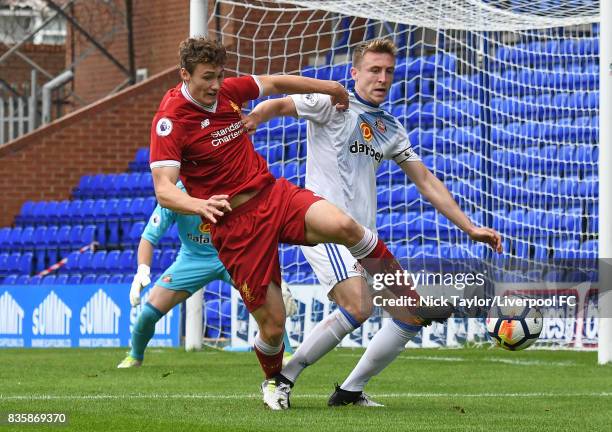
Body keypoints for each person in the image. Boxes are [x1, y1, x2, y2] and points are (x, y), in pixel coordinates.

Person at [149, 37, 435, 410]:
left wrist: (330, 86)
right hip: (235, 227)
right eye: (207, 78)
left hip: (273, 196)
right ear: (185, 74)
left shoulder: (229, 92)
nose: (216, 85)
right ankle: (274, 381)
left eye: (220, 76)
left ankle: (400, 292)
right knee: (273, 325)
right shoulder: (170, 121)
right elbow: (164, 190)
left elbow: (278, 84)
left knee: (345, 226)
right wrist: (199, 203)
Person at [244, 38, 502, 406]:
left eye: (389, 72)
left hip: (365, 238)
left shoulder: (391, 128)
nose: (382, 78)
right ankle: (282, 379)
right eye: (374, 70)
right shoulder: (332, 103)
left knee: (410, 314)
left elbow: (425, 180)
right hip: (324, 229)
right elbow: (282, 103)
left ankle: (349, 391)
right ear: (355, 73)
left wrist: (469, 227)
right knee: (359, 306)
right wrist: (255, 117)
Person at [117, 181, 297, 368]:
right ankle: (134, 357)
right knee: (147, 313)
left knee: (266, 304)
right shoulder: (176, 193)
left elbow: (258, 228)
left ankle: (288, 354)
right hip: (192, 260)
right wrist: (142, 270)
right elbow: (149, 237)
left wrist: (269, 272)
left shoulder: (229, 183)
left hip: (232, 255)